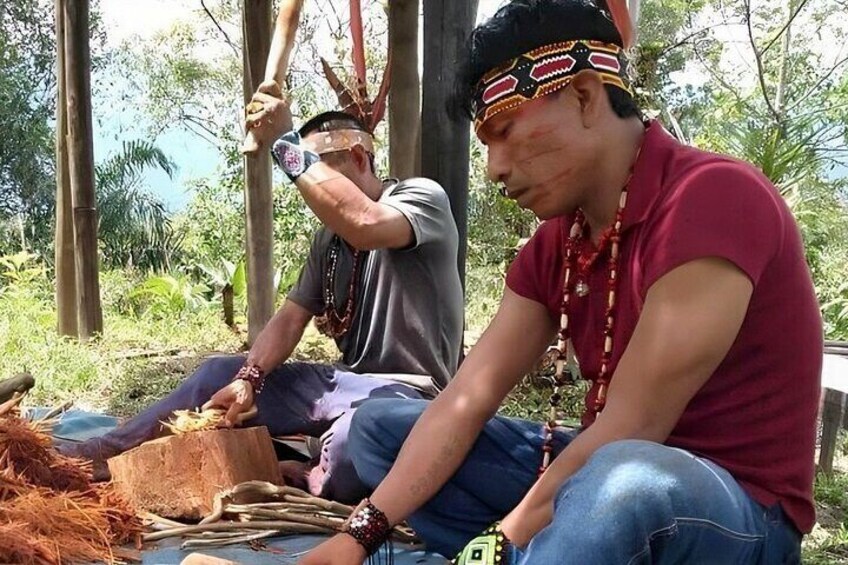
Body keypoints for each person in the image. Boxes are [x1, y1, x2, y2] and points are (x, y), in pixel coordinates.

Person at [300, 0, 822, 563]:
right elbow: (465, 399)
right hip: (604, 475)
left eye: (505, 131)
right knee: (382, 429)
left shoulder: (714, 198)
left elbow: (633, 426)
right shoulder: (558, 244)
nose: (495, 166)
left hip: (732, 513)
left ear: (582, 96)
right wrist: (360, 534)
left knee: (622, 486)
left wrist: (499, 543)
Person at [58, 105, 465, 504]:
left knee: (353, 441)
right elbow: (291, 318)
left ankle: (297, 475)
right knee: (220, 373)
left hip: (410, 394)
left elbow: (366, 224)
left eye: (316, 174)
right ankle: (99, 454)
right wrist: (249, 378)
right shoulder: (328, 243)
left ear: (359, 157)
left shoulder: (421, 197)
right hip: (342, 383)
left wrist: (286, 143)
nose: (311, 192)